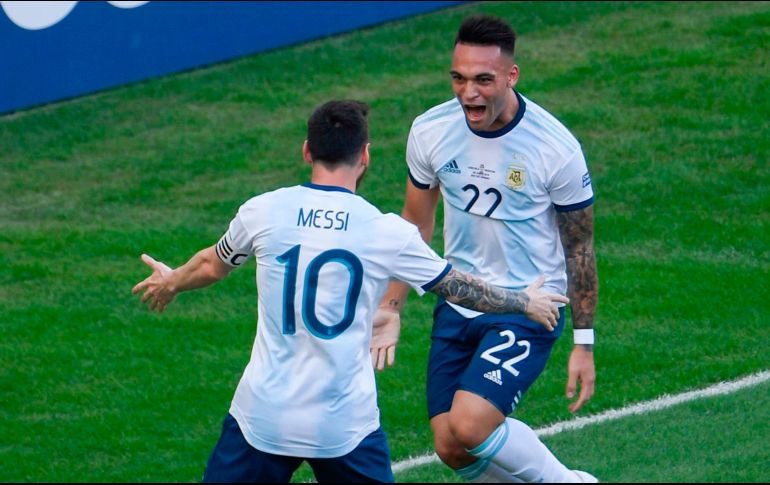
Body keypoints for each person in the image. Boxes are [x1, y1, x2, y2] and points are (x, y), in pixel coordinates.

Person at [131, 100, 569, 483]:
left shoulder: (263, 211)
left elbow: (212, 263)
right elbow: (457, 287)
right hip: (342, 425)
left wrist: (171, 281)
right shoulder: (385, 232)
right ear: (365, 156)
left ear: (307, 151)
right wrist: (523, 302)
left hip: (262, 416)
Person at [371, 15, 599, 483]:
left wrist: (583, 342)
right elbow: (413, 223)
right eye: (458, 78)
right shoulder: (431, 130)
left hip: (530, 305)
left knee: (472, 423)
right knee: (451, 446)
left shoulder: (554, 148)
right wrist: (391, 304)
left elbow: (579, 249)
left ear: (511, 77)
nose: (468, 93)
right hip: (460, 300)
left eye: (482, 80)